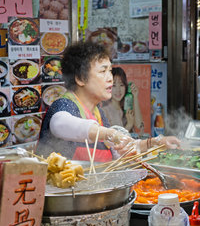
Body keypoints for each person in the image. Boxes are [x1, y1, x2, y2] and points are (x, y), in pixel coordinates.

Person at [36, 41, 180, 162]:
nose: (110, 77)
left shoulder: (98, 113)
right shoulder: (64, 106)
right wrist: (109, 134)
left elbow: (118, 150)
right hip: (65, 193)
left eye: (110, 70)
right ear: (80, 78)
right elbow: (59, 124)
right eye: (102, 71)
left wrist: (156, 142)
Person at [101, 67, 144, 133]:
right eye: (114, 85)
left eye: (121, 85)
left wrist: (135, 97)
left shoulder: (127, 105)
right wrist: (129, 125)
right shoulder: (105, 110)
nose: (118, 90)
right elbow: (112, 139)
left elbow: (139, 125)